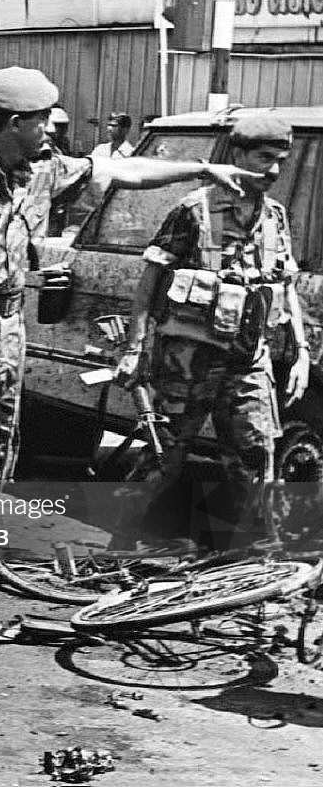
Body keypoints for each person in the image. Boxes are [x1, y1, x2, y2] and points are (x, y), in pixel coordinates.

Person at [0, 66, 260, 687]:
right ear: (14, 122)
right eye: (44, 119)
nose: (52, 128)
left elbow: (122, 171)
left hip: (8, 331)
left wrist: (201, 170)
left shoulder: (42, 169)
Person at [116, 113, 309, 550]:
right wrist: (134, 348)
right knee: (163, 456)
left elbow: (285, 284)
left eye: (281, 160)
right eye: (264, 158)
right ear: (238, 155)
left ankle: (257, 565)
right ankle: (124, 548)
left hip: (249, 362)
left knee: (257, 456)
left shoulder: (276, 216)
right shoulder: (194, 211)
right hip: (188, 360)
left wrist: (298, 350)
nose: (274, 170)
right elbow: (150, 282)